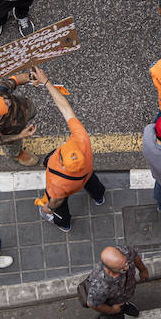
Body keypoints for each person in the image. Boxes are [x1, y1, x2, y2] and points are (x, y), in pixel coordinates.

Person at [31, 66, 106, 232]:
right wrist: (47, 82)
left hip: (65, 190)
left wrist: (48, 208)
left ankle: (64, 223)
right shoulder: (82, 141)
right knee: (92, 183)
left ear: (63, 165)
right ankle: (99, 197)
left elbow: (56, 201)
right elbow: (65, 108)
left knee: (60, 208)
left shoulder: (58, 185)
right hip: (84, 175)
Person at [82, 245, 150, 319]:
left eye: (126, 263)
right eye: (122, 268)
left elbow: (134, 256)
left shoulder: (124, 253)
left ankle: (124, 305)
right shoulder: (100, 285)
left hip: (124, 293)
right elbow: (93, 304)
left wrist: (143, 269)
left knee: (123, 302)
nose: (127, 267)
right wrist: (112, 310)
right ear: (109, 270)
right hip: (111, 303)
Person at [0, 71, 39, 166]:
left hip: (23, 108)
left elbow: (15, 79)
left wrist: (30, 78)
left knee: (32, 111)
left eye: (3, 100)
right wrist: (20, 136)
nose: (7, 100)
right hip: (11, 132)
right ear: (0, 117)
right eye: (5, 106)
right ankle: (18, 155)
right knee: (12, 146)